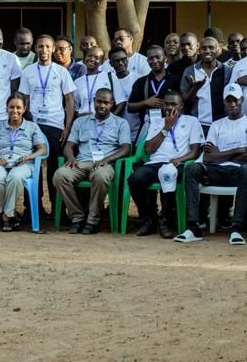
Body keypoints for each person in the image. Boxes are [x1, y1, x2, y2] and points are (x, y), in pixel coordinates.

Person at [175, 84, 247, 244]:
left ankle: (236, 228)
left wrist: (219, 153)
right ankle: (193, 226)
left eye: (235, 100)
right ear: (224, 102)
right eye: (229, 101)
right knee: (192, 168)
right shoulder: (217, 125)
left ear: (241, 100)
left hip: (238, 174)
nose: (232, 104)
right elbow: (207, 158)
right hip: (215, 172)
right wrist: (238, 150)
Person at [53, 88, 132, 234]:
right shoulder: (80, 122)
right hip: (81, 162)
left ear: (112, 104)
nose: (102, 105)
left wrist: (106, 159)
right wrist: (71, 157)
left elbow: (126, 148)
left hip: (105, 163)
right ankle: (77, 217)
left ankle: (93, 220)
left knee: (101, 177)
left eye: (106, 102)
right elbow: (69, 145)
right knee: (60, 175)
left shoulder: (121, 123)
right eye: (99, 101)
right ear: (94, 101)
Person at [128, 91, 203, 239]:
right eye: (167, 104)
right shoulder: (157, 122)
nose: (169, 107)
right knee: (134, 179)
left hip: (178, 163)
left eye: (173, 104)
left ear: (181, 106)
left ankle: (166, 221)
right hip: (156, 162)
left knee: (167, 174)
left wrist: (180, 159)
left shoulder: (191, 121)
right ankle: (148, 218)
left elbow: (195, 151)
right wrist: (166, 128)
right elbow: (149, 149)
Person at [17, 34, 75, 214]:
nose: (44, 50)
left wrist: (67, 127)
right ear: (35, 48)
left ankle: (58, 209)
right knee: (32, 167)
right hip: (34, 125)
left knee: (54, 168)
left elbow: (69, 101)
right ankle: (33, 208)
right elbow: (23, 98)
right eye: (40, 47)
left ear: (53, 49)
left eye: (48, 47)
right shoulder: (28, 71)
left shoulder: (61, 72)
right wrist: (26, 121)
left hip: (55, 125)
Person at [0, 95, 48, 231]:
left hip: (23, 163)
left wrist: (29, 157)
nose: (15, 111)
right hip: (1, 162)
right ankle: (9, 215)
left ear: (24, 109)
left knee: (15, 177)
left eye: (18, 107)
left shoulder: (32, 126)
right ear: (7, 108)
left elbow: (42, 149)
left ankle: (5, 216)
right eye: (11, 107)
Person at [180, 36, 225, 133]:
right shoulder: (190, 70)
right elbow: (184, 99)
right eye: (204, 48)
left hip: (222, 123)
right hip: (198, 124)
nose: (207, 51)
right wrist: (195, 88)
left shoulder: (226, 70)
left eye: (211, 48)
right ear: (199, 50)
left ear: (217, 50)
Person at [127, 46, 171, 143]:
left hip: (171, 127)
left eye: (157, 57)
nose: (154, 61)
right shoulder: (141, 82)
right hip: (147, 128)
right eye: (151, 58)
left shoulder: (174, 80)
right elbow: (129, 108)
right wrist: (146, 103)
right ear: (147, 61)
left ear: (165, 58)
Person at [72, 46, 120, 117]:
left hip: (103, 121)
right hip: (83, 122)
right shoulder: (77, 82)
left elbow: (121, 102)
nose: (92, 59)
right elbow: (75, 108)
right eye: (89, 56)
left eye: (97, 58)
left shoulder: (110, 77)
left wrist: (110, 119)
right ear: (85, 57)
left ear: (102, 62)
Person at [108, 47, 141, 139]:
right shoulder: (108, 81)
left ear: (128, 60)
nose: (121, 63)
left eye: (123, 59)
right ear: (111, 63)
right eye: (116, 61)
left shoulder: (139, 79)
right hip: (115, 131)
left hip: (137, 129)